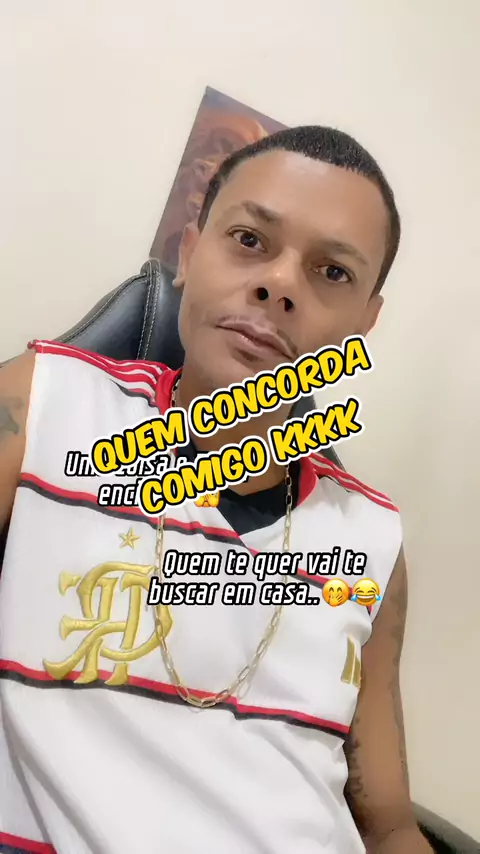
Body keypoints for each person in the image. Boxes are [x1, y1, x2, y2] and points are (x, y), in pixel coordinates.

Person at [0, 126, 432, 853]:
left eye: (332, 273)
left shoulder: (372, 539)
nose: (280, 283)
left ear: (365, 322)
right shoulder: (44, 407)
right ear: (190, 252)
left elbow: (387, 824)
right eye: (250, 240)